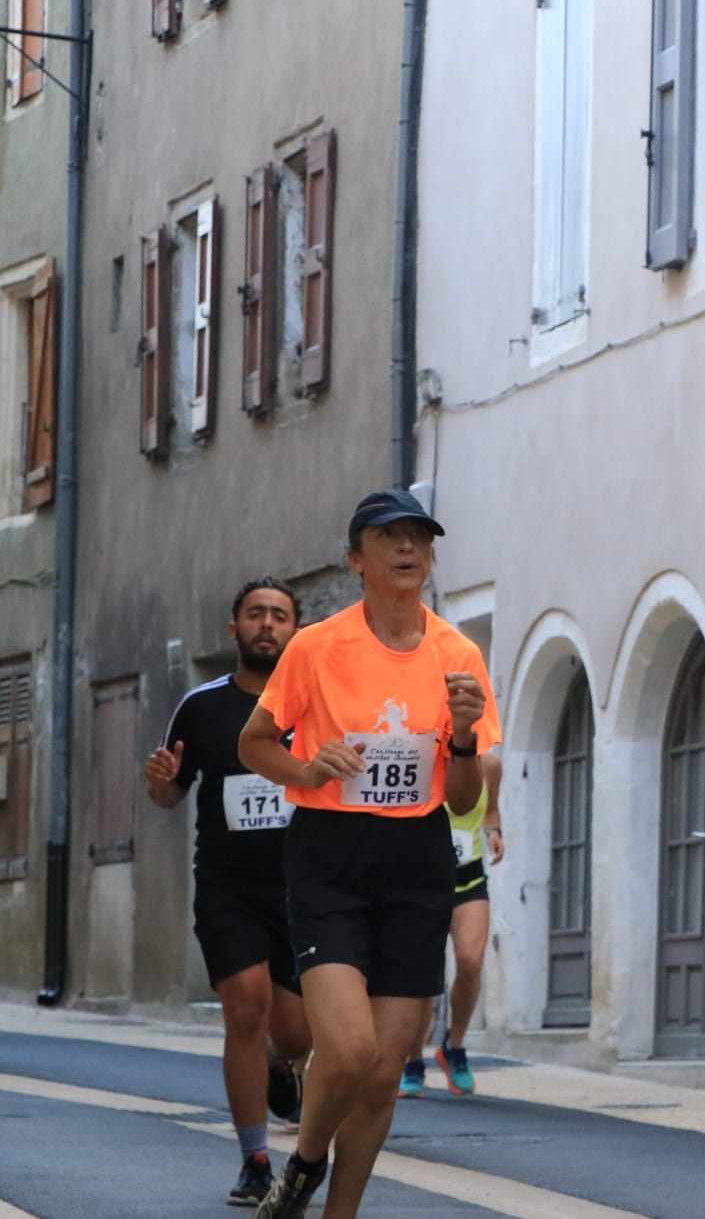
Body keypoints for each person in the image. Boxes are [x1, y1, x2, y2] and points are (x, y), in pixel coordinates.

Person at [240, 490, 500, 1219]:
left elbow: (462, 801)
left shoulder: (458, 655)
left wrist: (463, 737)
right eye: (388, 536)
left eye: (419, 535)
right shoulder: (317, 646)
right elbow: (253, 743)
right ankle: (304, 1164)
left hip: (418, 861)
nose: (407, 547)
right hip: (330, 856)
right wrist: (305, 768)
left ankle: (337, 1212)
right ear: (357, 558)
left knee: (384, 1074)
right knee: (348, 1049)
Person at [143, 578, 314, 1206]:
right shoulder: (202, 706)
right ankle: (255, 1160)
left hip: (302, 888)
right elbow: (170, 793)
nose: (267, 625)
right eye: (255, 615)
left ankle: (278, 1063)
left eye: (279, 616)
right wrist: (159, 781)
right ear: (234, 629)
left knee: (297, 1035)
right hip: (227, 886)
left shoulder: (314, 705)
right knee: (245, 1006)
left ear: (295, 631)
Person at [401, 753, 504, 1097]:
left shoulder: (489, 766)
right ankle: (413, 1062)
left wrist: (494, 833)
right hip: (422, 881)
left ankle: (453, 1047)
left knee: (471, 962)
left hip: (468, 878)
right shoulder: (420, 759)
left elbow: (490, 812)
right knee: (422, 978)